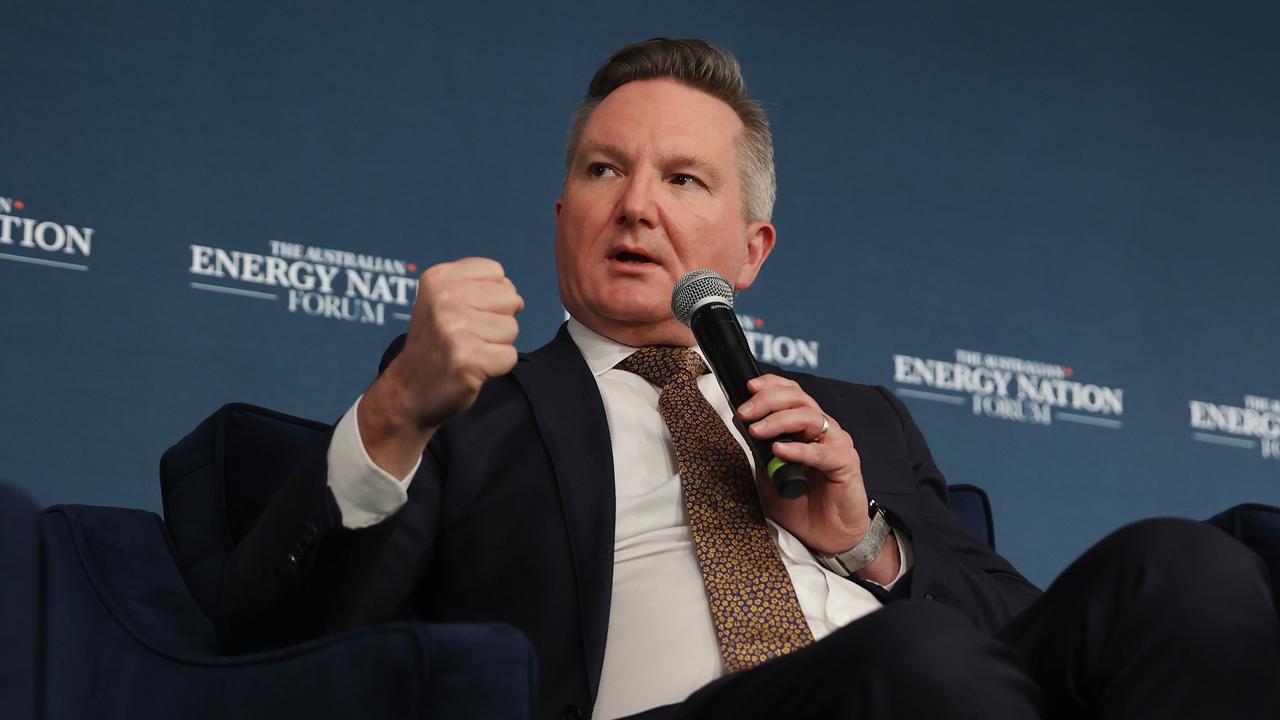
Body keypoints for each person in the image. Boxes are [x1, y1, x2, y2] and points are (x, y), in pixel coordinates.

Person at [217, 38, 1280, 719]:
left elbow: (1024, 633)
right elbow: (277, 652)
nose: (635, 206)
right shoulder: (466, 398)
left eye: (681, 180)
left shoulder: (857, 419)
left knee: (1184, 574)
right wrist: (398, 407)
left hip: (930, 684)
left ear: (750, 248)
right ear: (561, 219)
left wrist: (863, 542)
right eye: (602, 171)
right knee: (917, 666)